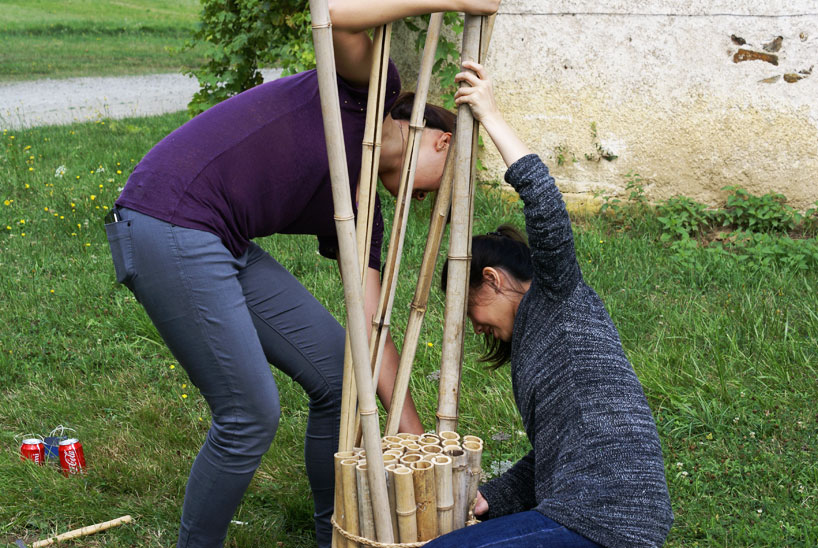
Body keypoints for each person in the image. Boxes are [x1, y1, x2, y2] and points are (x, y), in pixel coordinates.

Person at [103, 2, 500, 547]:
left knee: (337, 379)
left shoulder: (364, 211)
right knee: (249, 414)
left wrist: (415, 440)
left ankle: (329, 536)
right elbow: (336, 14)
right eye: (445, 187)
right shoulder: (370, 88)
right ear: (441, 139)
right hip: (167, 219)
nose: (433, 202)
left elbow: (371, 326)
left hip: (223, 242)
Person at [426, 62, 674, 547]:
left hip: (606, 516)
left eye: (467, 310)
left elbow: (546, 206)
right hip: (586, 513)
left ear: (492, 280)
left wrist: (491, 116)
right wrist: (489, 499)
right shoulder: (536, 346)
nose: (472, 327)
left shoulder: (556, 296)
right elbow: (552, 458)